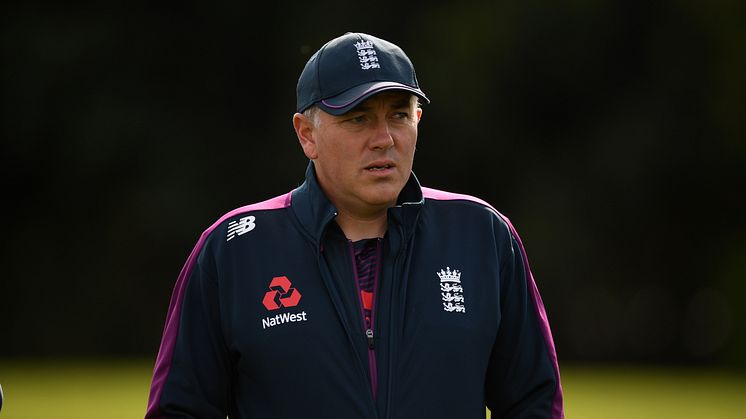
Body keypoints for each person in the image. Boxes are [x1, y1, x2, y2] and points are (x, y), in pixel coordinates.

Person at [145, 32, 563, 419]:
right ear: (306, 134)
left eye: (399, 115)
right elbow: (180, 410)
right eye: (358, 118)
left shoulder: (482, 235)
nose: (384, 138)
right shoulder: (233, 249)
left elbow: (533, 404)